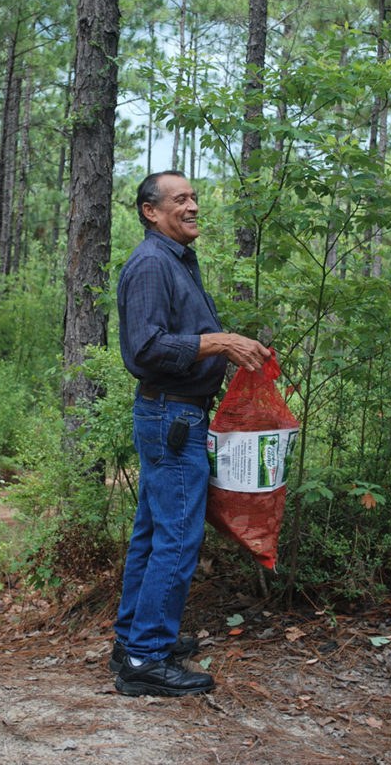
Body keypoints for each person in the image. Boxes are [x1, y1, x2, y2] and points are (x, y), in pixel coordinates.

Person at [111, 170, 270, 697]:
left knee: (155, 532)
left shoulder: (176, 259)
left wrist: (227, 346)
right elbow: (146, 350)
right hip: (170, 417)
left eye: (195, 196)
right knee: (177, 537)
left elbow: (180, 337)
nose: (193, 205)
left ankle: (133, 640)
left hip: (178, 416)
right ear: (150, 211)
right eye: (180, 199)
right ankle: (145, 659)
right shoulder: (152, 263)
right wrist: (219, 342)